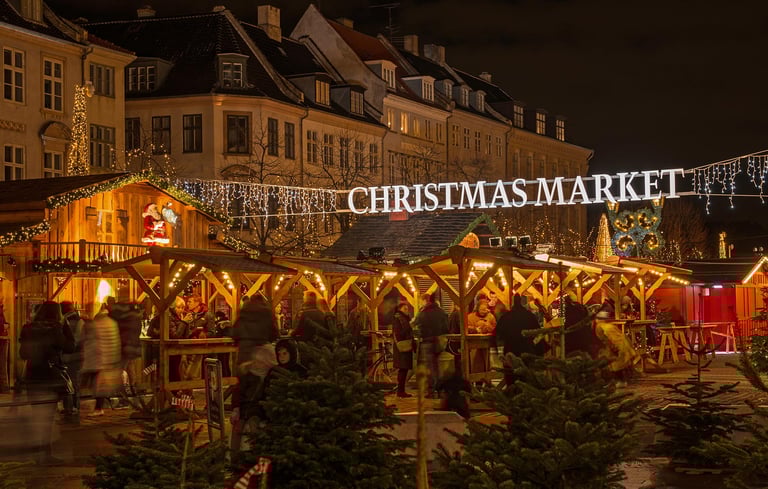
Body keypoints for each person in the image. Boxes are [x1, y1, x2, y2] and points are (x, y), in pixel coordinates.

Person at [19, 301, 75, 463]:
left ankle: (40, 452)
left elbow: (23, 354)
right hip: (50, 377)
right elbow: (70, 346)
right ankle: (45, 454)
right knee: (47, 418)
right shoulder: (56, 329)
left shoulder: (28, 328)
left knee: (37, 416)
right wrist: (65, 327)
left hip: (32, 376)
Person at [495, 294, 546, 388]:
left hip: (510, 349)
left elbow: (499, 333)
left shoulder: (506, 316)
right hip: (526, 349)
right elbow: (538, 331)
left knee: (511, 375)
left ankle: (511, 394)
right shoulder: (529, 316)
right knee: (526, 376)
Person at [82, 303, 122, 416]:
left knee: (97, 385)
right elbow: (115, 342)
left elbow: (92, 342)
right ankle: (101, 406)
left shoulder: (96, 324)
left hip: (99, 360)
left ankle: (98, 408)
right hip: (109, 359)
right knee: (100, 386)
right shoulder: (113, 323)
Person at [413, 292, 449, 398]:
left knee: (429, 367)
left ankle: (431, 391)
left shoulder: (423, 313)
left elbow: (416, 325)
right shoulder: (442, 312)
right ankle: (441, 390)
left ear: (427, 301)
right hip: (440, 342)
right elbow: (446, 328)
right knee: (439, 367)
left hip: (427, 341)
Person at [234, 295, 278, 379]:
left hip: (244, 349)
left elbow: (235, 331)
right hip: (261, 350)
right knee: (261, 378)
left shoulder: (243, 311)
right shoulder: (266, 312)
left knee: (244, 379)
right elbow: (274, 332)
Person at [60, 301, 84, 420]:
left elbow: (74, 340)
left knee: (68, 382)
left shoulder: (64, 321)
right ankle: (74, 406)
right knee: (73, 382)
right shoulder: (79, 320)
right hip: (77, 356)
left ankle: (70, 406)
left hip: (68, 355)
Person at [392, 300, 414, 398]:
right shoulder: (399, 319)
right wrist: (410, 327)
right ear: (399, 309)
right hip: (402, 347)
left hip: (403, 346)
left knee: (404, 369)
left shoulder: (402, 318)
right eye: (405, 308)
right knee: (403, 369)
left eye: (407, 308)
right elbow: (399, 333)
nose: (407, 310)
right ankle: (400, 391)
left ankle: (401, 390)